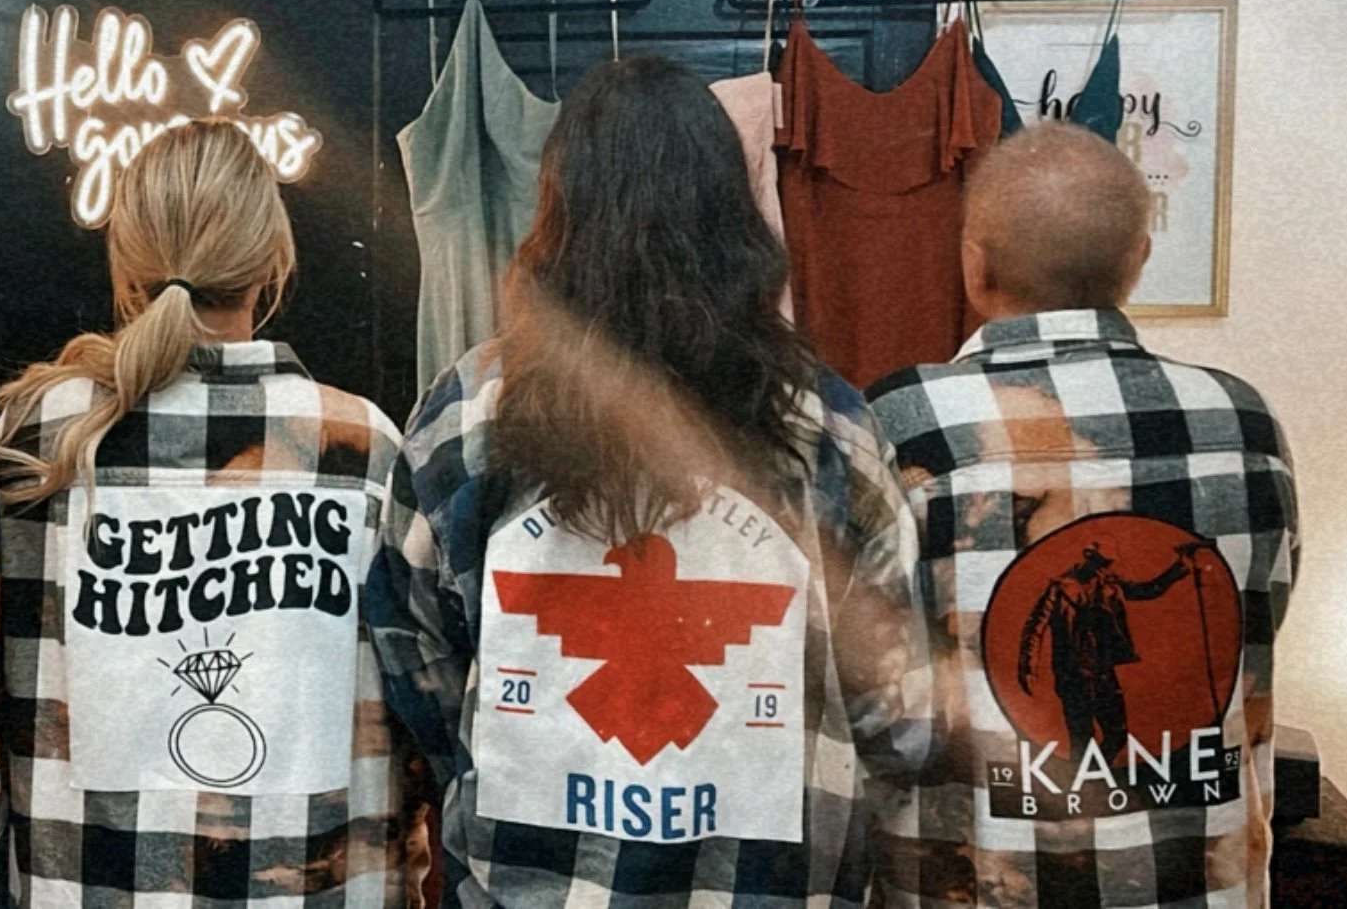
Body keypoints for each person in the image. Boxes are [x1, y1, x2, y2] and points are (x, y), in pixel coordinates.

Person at [365, 57, 931, 908]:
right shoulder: (828, 424)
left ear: (558, 209)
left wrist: (519, 758)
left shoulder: (464, 414)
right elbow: (900, 714)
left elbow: (418, 667)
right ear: (731, 215)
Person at [0, 120, 426, 908]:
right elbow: (420, 707)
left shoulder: (43, 434)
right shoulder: (360, 445)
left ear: (126, 264)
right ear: (272, 262)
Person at [867, 122, 1299, 909]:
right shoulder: (1245, 420)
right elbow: (1256, 622)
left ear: (974, 263)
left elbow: (872, 693)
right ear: (1138, 261)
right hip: (1195, 886)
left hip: (976, 885)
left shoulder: (903, 422)